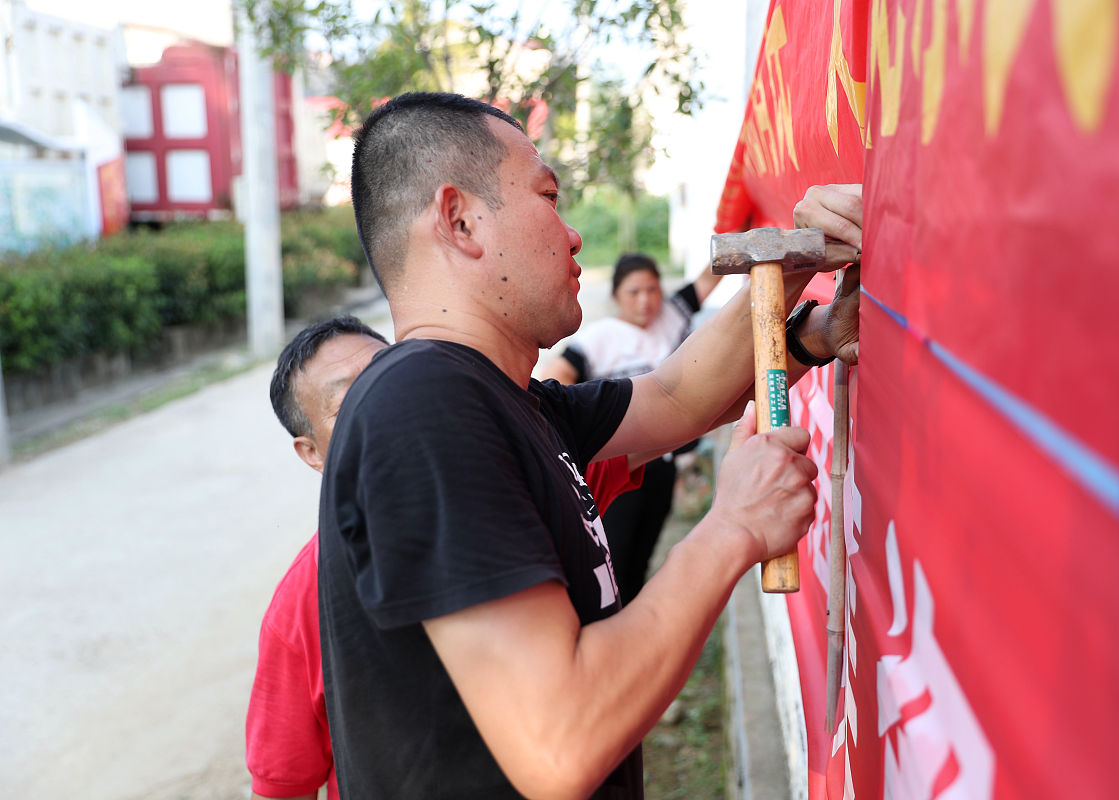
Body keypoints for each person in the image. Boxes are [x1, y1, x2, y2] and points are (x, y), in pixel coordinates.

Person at [320, 91, 862, 799]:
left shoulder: (502, 400)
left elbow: (676, 396)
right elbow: (560, 741)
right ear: (459, 220)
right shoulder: (424, 407)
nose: (574, 234)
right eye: (548, 197)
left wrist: (791, 273)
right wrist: (732, 528)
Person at [245, 316, 647, 800]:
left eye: (384, 379)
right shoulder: (298, 604)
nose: (382, 408)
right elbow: (282, 786)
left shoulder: (516, 484)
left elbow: (676, 403)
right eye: (347, 402)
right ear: (311, 452)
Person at [540, 254, 722, 600]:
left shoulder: (671, 316)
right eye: (634, 291)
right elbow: (556, 377)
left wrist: (740, 224)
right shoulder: (598, 338)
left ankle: (632, 617)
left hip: (664, 464)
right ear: (616, 296)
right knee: (614, 559)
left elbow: (709, 278)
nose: (645, 300)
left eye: (653, 289)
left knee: (642, 556)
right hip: (620, 466)